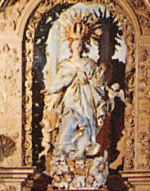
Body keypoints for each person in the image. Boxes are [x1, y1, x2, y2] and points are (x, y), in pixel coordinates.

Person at [44, 12, 120, 167]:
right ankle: (65, 152)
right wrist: (69, 78)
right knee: (68, 122)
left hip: (86, 100)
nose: (77, 47)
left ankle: (85, 151)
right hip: (70, 100)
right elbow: (57, 84)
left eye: (80, 45)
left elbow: (98, 84)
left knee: (87, 125)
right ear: (70, 46)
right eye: (75, 44)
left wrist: (96, 80)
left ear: (83, 46)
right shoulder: (66, 65)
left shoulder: (89, 64)